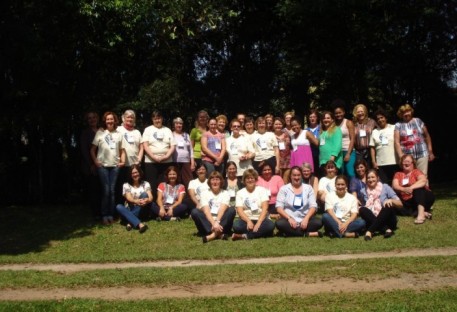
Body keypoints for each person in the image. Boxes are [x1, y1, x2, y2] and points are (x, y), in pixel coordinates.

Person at [90, 111, 126, 225]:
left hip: (115, 166)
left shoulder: (119, 134)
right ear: (105, 121)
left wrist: (123, 161)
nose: (110, 121)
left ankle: (111, 214)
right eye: (107, 119)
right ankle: (104, 215)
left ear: (115, 120)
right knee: (106, 191)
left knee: (112, 191)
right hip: (103, 167)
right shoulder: (100, 133)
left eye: (111, 119)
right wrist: (96, 161)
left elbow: (122, 150)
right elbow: (92, 150)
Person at [275, 166, 323, 237]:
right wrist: (289, 218)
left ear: (301, 176)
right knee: (279, 223)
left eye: (298, 175)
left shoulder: (308, 188)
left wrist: (306, 219)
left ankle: (289, 233)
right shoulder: (284, 189)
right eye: (294, 175)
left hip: (305, 219)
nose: (296, 178)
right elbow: (279, 207)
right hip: (289, 220)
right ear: (290, 176)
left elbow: (313, 206)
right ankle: (306, 234)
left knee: (318, 222)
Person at [191, 171, 236, 243]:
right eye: (213, 180)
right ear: (209, 182)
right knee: (195, 212)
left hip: (221, 221)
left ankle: (212, 235)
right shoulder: (204, 193)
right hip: (208, 221)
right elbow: (206, 210)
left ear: (221, 181)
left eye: (217, 179)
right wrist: (213, 223)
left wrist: (217, 222)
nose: (215, 182)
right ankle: (219, 234)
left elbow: (222, 209)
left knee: (231, 210)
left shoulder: (225, 193)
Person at [359, 169, 403, 240]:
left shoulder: (385, 187)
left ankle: (370, 231)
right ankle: (386, 229)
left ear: (378, 178)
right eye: (368, 178)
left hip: (388, 219)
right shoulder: (362, 191)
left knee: (387, 205)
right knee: (362, 209)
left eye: (373, 177)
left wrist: (391, 200)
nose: (370, 179)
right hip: (372, 219)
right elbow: (363, 207)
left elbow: (400, 204)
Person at [232, 169, 275, 240]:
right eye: (248, 178)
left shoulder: (262, 190)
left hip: (260, 218)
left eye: (252, 178)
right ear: (244, 180)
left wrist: (258, 223)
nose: (250, 180)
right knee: (236, 225)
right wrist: (248, 221)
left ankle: (245, 236)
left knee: (270, 225)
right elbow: (240, 211)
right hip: (246, 219)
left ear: (255, 179)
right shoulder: (240, 193)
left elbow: (265, 208)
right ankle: (264, 233)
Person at [142, 110, 176, 200]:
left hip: (166, 161)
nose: (157, 120)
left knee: (164, 184)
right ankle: (152, 207)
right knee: (152, 184)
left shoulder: (167, 130)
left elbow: (172, 146)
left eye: (159, 118)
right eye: (155, 118)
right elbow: (145, 145)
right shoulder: (148, 129)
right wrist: (154, 157)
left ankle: (165, 205)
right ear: (152, 119)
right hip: (151, 162)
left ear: (162, 119)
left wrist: (166, 156)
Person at [392, 154, 435, 224]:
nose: (406, 163)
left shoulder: (416, 171)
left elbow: (423, 181)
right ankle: (422, 212)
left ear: (413, 163)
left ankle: (421, 215)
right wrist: (403, 189)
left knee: (418, 189)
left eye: (408, 161)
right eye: (404, 161)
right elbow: (395, 186)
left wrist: (410, 188)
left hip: (424, 197)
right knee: (393, 205)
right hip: (408, 201)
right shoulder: (398, 174)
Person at [394, 104, 435, 177]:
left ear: (411, 111)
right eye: (403, 112)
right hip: (407, 156)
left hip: (422, 154)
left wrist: (430, 151)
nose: (406, 114)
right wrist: (401, 156)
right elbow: (397, 142)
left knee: (423, 176)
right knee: (410, 176)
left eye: (408, 111)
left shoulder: (418, 121)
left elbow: (427, 136)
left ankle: (423, 188)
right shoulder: (398, 125)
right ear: (400, 114)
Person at [117, 109, 144, 205]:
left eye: (132, 117)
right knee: (121, 187)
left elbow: (141, 147)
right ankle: (120, 209)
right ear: (123, 118)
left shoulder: (137, 132)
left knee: (133, 187)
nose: (130, 119)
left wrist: (139, 160)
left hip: (134, 165)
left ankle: (134, 206)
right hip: (122, 164)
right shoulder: (118, 129)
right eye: (128, 117)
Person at [115, 165, 151, 233]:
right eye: (133, 173)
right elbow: (128, 198)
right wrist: (136, 201)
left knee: (144, 195)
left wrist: (147, 200)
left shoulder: (145, 183)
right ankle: (140, 224)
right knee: (118, 206)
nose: (135, 174)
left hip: (141, 209)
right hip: (129, 208)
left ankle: (130, 222)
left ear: (140, 173)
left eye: (136, 172)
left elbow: (150, 196)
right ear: (130, 175)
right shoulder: (126, 185)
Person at [80, 111, 101, 221]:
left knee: (102, 190)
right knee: (94, 191)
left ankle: (103, 212)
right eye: (89, 118)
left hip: (103, 165)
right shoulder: (85, 133)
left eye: (94, 117)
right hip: (90, 167)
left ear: (97, 119)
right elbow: (84, 150)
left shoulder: (102, 131)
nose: (92, 120)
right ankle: (96, 213)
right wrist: (91, 164)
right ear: (87, 121)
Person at [370, 109, 397, 185]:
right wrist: (373, 161)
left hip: (394, 161)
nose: (380, 120)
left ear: (386, 118)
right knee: (384, 184)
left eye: (382, 117)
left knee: (395, 182)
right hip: (381, 163)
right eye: (378, 119)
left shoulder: (394, 128)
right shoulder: (375, 131)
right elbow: (372, 147)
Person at [332, 100, 356, 178]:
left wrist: (348, 153)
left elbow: (352, 139)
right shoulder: (333, 124)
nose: (338, 114)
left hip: (348, 150)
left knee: (350, 173)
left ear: (344, 112)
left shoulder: (348, 122)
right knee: (340, 173)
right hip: (338, 152)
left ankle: (353, 189)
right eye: (336, 113)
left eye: (340, 112)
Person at [319, 111, 343, 176]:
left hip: (333, 160)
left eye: (328, 118)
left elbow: (338, 144)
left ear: (332, 120)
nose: (326, 120)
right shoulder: (322, 131)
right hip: (323, 161)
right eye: (324, 118)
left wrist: (333, 157)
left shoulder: (336, 129)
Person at [172, 117, 194, 188]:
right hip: (175, 161)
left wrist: (192, 162)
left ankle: (188, 197)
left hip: (186, 161)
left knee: (188, 180)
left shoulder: (186, 135)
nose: (179, 125)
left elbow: (190, 149)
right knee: (176, 180)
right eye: (177, 123)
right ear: (174, 125)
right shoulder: (171, 134)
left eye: (180, 124)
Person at [273, 117, 291, 182]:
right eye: (276, 124)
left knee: (286, 181)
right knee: (278, 181)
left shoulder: (287, 134)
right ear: (273, 125)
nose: (278, 126)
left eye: (280, 124)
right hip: (277, 162)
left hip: (288, 162)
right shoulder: (271, 136)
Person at [306, 109, 321, 177]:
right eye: (310, 117)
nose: (312, 118)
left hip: (320, 155)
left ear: (317, 118)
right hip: (309, 155)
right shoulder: (306, 130)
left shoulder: (321, 129)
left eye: (314, 117)